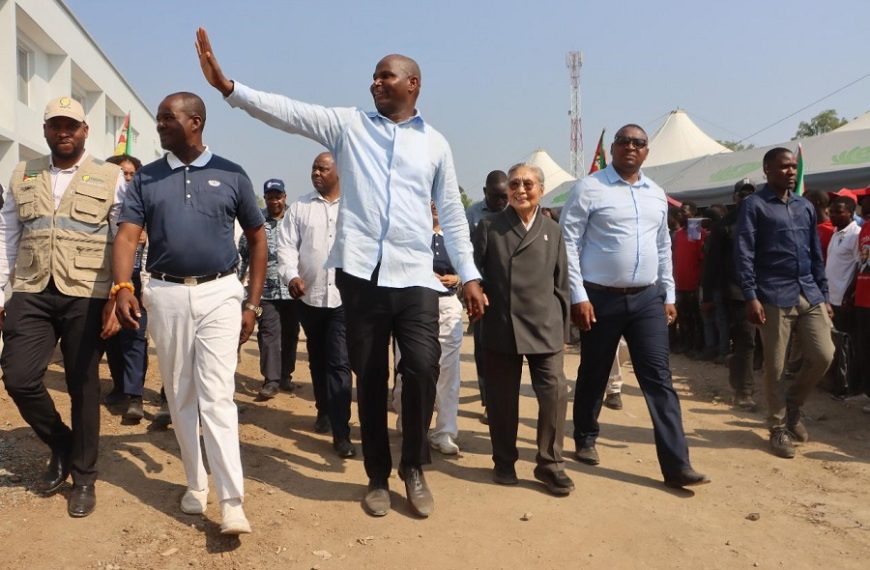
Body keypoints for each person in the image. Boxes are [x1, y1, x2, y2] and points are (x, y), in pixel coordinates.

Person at [195, 29, 486, 519]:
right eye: (373, 76)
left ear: (412, 84)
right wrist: (230, 88)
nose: (375, 83)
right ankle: (377, 475)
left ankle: (413, 466)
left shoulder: (435, 144)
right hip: (361, 275)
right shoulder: (350, 126)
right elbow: (289, 112)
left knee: (421, 367)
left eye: (385, 76)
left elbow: (453, 216)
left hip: (416, 276)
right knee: (369, 377)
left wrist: (470, 274)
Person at [113, 91, 266, 534]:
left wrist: (252, 302)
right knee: (180, 394)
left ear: (195, 122)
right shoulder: (147, 178)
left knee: (217, 394)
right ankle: (196, 483)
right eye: (160, 118)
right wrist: (123, 286)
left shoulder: (231, 173)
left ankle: (232, 501)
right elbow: (127, 237)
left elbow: (257, 238)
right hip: (166, 294)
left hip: (220, 292)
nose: (160, 125)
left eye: (168, 118)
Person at [560, 124, 709, 489]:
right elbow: (568, 243)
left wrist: (668, 295)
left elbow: (663, 247)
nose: (631, 147)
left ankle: (677, 465)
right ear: (613, 148)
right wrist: (578, 295)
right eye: (624, 141)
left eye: (639, 143)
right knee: (594, 371)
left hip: (647, 298)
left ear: (646, 152)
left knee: (659, 378)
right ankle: (585, 436)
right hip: (599, 298)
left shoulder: (656, 194)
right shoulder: (589, 188)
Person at [0, 96, 125, 517]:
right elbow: (7, 233)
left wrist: (119, 293)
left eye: (71, 125)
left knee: (82, 385)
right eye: (56, 125)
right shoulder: (25, 172)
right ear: (46, 130)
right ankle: (62, 443)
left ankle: (84, 477)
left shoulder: (110, 175)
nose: (63, 132)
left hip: (86, 292)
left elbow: (123, 237)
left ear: (85, 130)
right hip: (32, 287)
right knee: (18, 377)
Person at [473, 163, 573, 495]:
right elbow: (472, 274)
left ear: (541, 190)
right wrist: (474, 294)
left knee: (555, 394)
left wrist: (563, 330)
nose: (520, 190)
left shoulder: (553, 230)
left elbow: (562, 283)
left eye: (528, 184)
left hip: (545, 326)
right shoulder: (489, 227)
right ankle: (504, 461)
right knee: (502, 399)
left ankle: (551, 464)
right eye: (514, 184)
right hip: (503, 324)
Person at [735, 147, 834, 459]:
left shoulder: (805, 206)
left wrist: (824, 294)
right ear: (767, 169)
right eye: (784, 167)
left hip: (808, 291)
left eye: (793, 166)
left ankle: (793, 405)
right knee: (775, 365)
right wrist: (751, 296)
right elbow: (744, 252)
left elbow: (815, 253)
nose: (791, 171)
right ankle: (777, 427)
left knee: (824, 355)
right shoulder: (754, 205)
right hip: (773, 293)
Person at [277, 152, 355, 458]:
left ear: (339, 172)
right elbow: (285, 247)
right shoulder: (300, 207)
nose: (316, 173)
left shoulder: (354, 207)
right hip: (308, 296)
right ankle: (324, 409)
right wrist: (291, 275)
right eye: (314, 168)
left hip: (343, 299)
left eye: (323, 168)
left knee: (339, 362)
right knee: (318, 357)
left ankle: (341, 431)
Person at [394, 201, 464, 455]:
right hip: (412, 305)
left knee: (448, 370)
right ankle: (408, 420)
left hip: (447, 304)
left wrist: (458, 278)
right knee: (408, 367)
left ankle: (444, 431)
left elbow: (471, 266)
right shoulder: (408, 230)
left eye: (438, 198)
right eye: (429, 198)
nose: (434, 204)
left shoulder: (456, 234)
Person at [238, 178, 301, 401]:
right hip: (264, 291)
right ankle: (271, 380)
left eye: (278, 196)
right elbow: (244, 252)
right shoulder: (257, 221)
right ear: (265, 198)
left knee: (290, 333)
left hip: (292, 290)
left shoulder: (295, 219)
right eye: (270, 197)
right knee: (268, 332)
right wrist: (240, 282)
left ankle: (285, 375)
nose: (274, 201)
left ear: (285, 196)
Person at [102, 154, 151, 422]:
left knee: (134, 335)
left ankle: (135, 396)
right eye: (122, 173)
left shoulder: (148, 205)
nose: (127, 179)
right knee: (110, 337)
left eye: (132, 174)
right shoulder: (102, 207)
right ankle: (120, 386)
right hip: (106, 282)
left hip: (138, 282)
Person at [702, 180, 758, 409]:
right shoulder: (724, 226)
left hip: (768, 290)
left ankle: (739, 367)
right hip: (737, 293)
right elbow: (711, 264)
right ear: (735, 197)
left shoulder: (765, 220)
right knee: (746, 340)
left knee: (763, 344)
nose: (746, 198)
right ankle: (744, 391)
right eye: (742, 194)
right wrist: (707, 296)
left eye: (751, 194)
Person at [465, 170, 508, 423]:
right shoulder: (471, 214)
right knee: (483, 348)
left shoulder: (514, 213)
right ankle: (489, 401)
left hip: (509, 292)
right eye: (496, 197)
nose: (501, 202)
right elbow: (466, 253)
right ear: (485, 193)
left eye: (505, 197)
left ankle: (503, 398)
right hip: (481, 290)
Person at [672, 201, 706, 357]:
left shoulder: (695, 230)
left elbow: (701, 258)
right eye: (680, 212)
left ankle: (697, 346)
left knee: (696, 317)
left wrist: (700, 281)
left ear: (693, 213)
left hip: (693, 283)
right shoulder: (678, 234)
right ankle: (686, 343)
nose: (681, 214)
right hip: (680, 283)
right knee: (683, 317)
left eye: (684, 212)